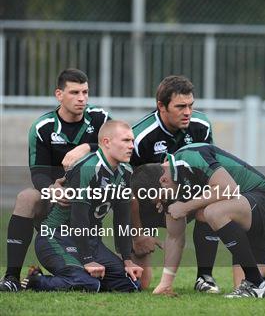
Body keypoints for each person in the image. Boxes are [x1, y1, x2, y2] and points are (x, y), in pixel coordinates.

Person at [133, 143, 265, 298]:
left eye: (158, 197)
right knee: (258, 289)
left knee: (213, 213)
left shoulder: (190, 156)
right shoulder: (173, 187)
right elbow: (175, 237)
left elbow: (229, 189)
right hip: (247, 213)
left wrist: (187, 207)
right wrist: (165, 284)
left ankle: (252, 282)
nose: (160, 204)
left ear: (162, 178)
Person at [0, 68, 111, 292]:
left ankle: (129, 259)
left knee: (113, 281)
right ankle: (11, 277)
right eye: (74, 92)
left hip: (93, 199)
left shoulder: (100, 119)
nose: (82, 98)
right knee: (26, 197)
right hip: (56, 197)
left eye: (85, 92)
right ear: (59, 94)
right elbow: (38, 173)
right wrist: (52, 189)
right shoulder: (43, 127)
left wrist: (87, 147)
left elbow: (122, 147)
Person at [21, 120, 143, 292]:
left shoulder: (126, 171)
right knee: (88, 283)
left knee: (130, 284)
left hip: (90, 240)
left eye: (132, 141)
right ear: (106, 142)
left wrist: (127, 259)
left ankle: (89, 278)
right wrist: (87, 259)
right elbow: (79, 217)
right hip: (57, 237)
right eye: (126, 141)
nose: (131, 146)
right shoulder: (88, 167)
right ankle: (36, 281)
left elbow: (122, 218)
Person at [129, 75, 222, 293]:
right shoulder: (140, 137)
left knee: (212, 207)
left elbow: (210, 171)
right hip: (148, 203)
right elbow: (126, 187)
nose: (188, 112)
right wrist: (137, 232)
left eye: (190, 105)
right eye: (180, 107)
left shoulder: (201, 126)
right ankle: (128, 257)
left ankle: (204, 277)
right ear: (161, 106)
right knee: (138, 285)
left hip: (188, 193)